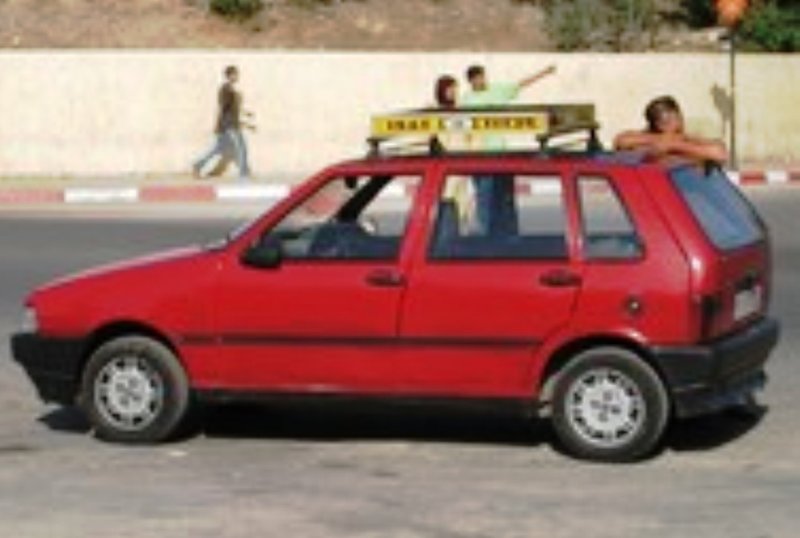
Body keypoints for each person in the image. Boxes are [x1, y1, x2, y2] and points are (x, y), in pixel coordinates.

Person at [462, 63, 557, 236]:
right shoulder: (466, 100)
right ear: (471, 81)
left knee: (504, 198)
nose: (482, 81)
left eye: (483, 77)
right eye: (478, 78)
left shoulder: (497, 91)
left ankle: (507, 235)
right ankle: (484, 236)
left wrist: (544, 72)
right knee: (485, 199)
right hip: (480, 155)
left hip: (500, 153)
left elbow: (520, 84)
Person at [614, 96, 728, 164]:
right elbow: (621, 140)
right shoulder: (654, 140)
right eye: (664, 122)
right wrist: (663, 140)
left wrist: (674, 144)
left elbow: (720, 153)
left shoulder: (687, 137)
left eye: (674, 118)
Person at [192, 65, 254, 180]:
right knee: (241, 147)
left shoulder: (230, 90)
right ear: (229, 75)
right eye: (235, 74)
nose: (237, 76)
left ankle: (197, 165)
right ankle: (244, 172)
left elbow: (233, 109)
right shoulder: (225, 89)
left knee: (217, 149)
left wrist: (246, 115)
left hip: (229, 124)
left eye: (237, 74)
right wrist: (219, 125)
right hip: (229, 125)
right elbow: (223, 108)